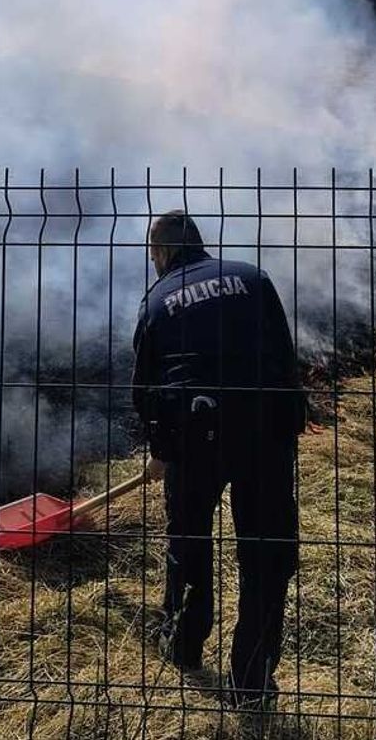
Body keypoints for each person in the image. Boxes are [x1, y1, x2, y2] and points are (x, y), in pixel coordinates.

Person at [131, 210, 306, 709]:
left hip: (195, 435)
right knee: (266, 556)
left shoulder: (156, 300)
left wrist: (161, 451)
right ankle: (252, 682)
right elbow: (283, 355)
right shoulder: (254, 277)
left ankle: (184, 645)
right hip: (264, 432)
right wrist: (291, 419)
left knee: (188, 542)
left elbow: (145, 391)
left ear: (160, 253)